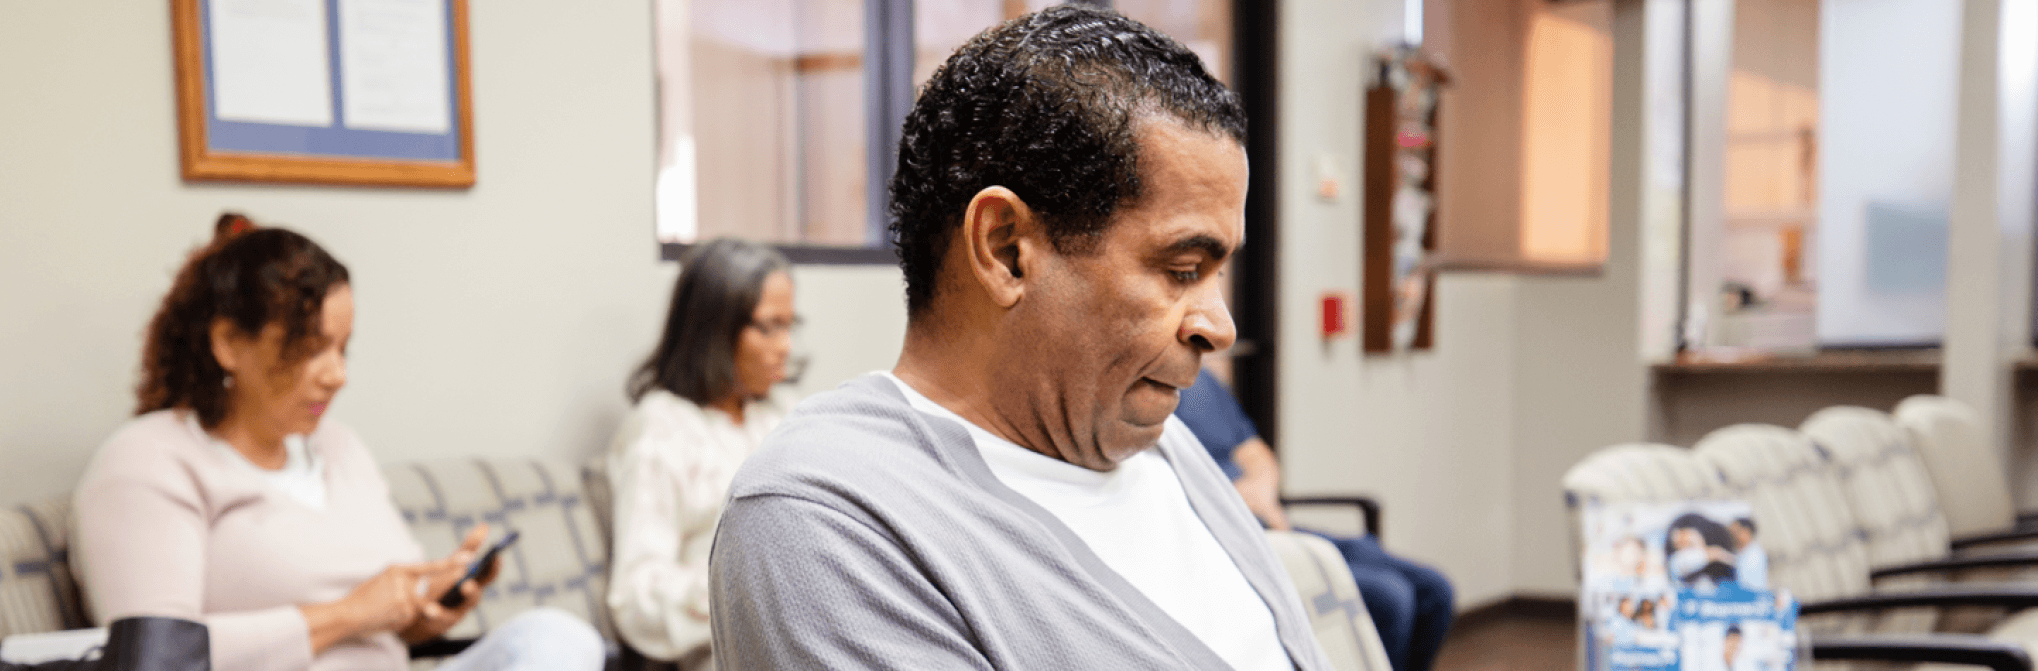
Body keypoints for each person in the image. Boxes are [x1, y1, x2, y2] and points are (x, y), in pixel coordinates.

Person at [708, 7, 1333, 669]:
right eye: (1182, 269)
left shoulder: (1161, 446)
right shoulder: (826, 522)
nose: (1220, 325)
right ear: (1006, 250)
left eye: (1218, 272)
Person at [73, 214, 606, 671]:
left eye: (344, 348)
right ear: (229, 343)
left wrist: (425, 610)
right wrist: (350, 614)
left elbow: (390, 627)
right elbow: (153, 658)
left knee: (557, 636)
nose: (337, 375)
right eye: (311, 349)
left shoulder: (340, 447)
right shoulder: (149, 461)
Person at [1174, 372, 1455, 671]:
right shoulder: (1147, 396)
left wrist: (1260, 493)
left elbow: (1255, 452)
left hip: (1278, 526)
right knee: (1389, 597)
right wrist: (1232, 503)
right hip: (1232, 543)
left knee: (1433, 589)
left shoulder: (1202, 381)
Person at [606, 238, 797, 670]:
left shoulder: (784, 415)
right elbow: (635, 599)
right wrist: (748, 591)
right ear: (715, 329)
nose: (785, 346)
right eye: (769, 327)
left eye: (789, 326)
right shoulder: (660, 430)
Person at [1729, 517, 1767, 590]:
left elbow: (1746, 584)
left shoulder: (1754, 555)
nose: (1732, 535)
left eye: (1735, 532)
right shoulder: (1737, 551)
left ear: (1746, 532)